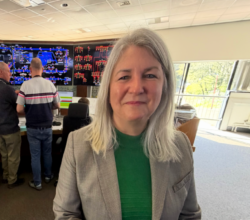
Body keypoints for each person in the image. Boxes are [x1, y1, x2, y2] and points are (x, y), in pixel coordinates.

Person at [53, 28, 201, 219]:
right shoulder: (78, 144)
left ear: (165, 85)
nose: (137, 87)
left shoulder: (181, 145)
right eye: (124, 77)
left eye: (150, 75)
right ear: (108, 87)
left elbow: (190, 215)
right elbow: (66, 214)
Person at [16, 58, 60, 191]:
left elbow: (18, 109)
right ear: (43, 69)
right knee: (47, 153)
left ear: (30, 70)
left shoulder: (25, 85)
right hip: (47, 126)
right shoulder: (51, 85)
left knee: (35, 155)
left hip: (32, 127)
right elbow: (57, 105)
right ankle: (48, 176)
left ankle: (37, 183)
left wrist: (28, 112)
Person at [0, 62, 24, 189]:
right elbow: (19, 108)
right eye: (9, 71)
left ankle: (6, 176)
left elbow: (3, 99)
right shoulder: (7, 89)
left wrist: (14, 92)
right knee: (13, 156)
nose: (10, 74)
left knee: (4, 154)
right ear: (2, 72)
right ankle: (12, 180)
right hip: (10, 128)